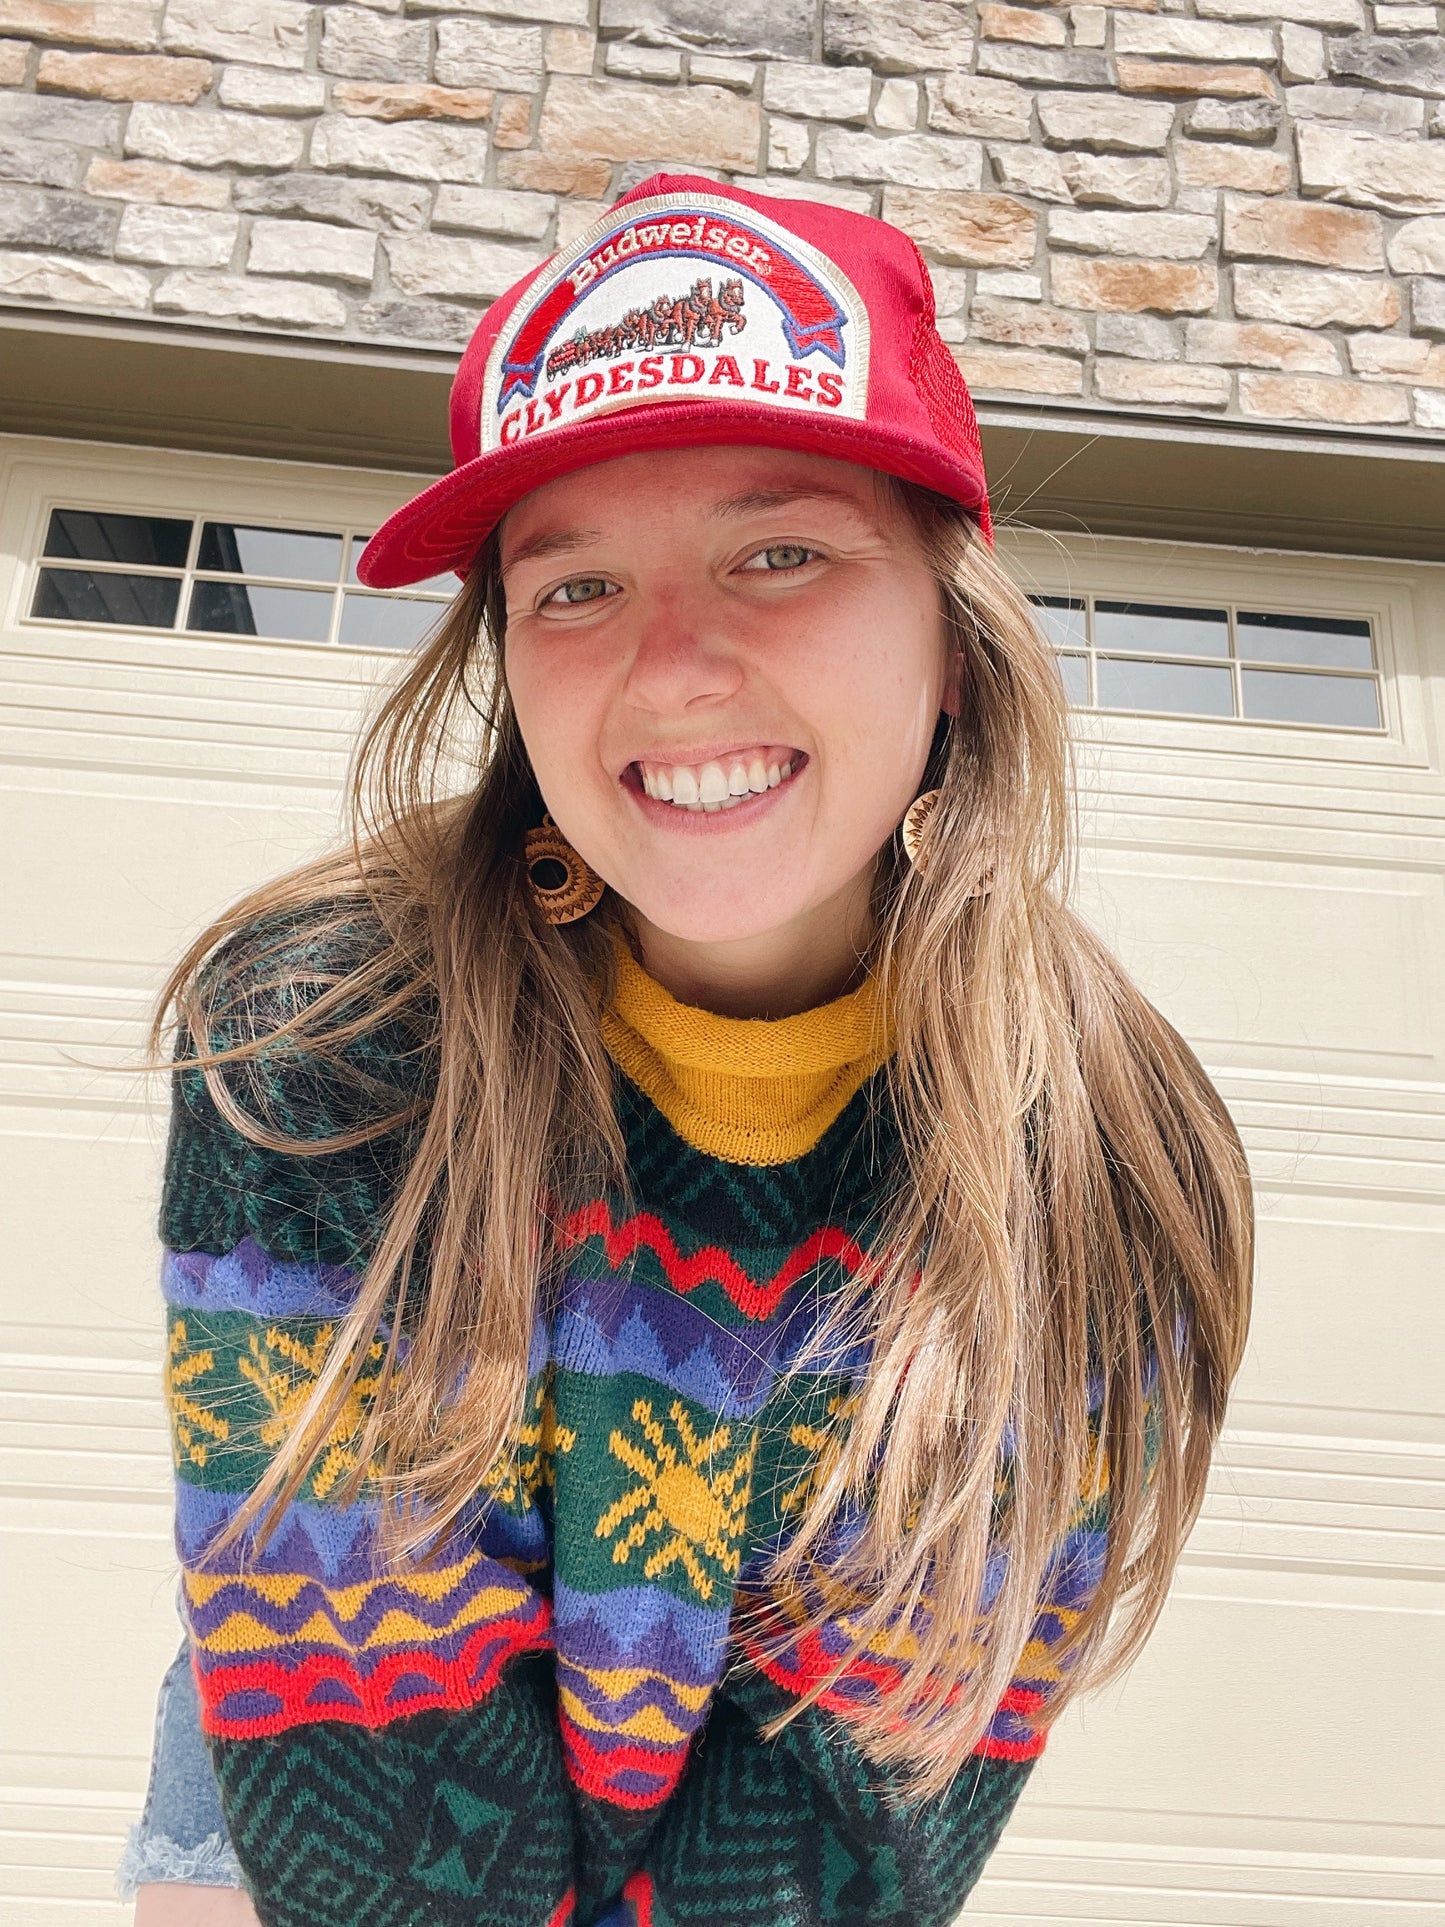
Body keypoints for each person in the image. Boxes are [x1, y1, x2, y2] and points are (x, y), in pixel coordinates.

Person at [119, 173, 1254, 1927]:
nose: (669, 671)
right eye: (570, 588)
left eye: (778, 551)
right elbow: (352, 1724)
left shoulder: (1105, 1164)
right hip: (309, 1801)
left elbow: (862, 1813)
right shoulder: (325, 1038)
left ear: (950, 641)